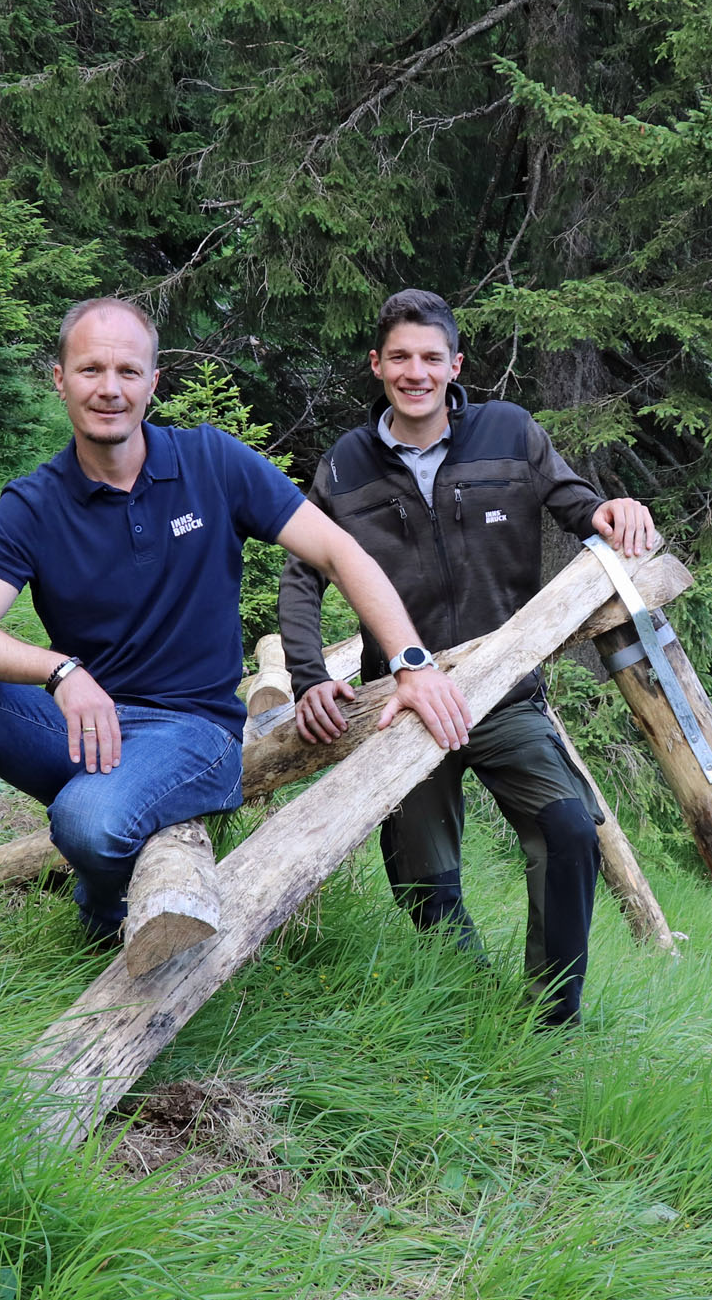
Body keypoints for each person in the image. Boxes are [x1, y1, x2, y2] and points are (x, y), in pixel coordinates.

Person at [0, 296, 472, 952]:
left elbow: (339, 552)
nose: (109, 389)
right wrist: (59, 671)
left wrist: (410, 662)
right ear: (59, 378)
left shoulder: (211, 464)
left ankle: (102, 898)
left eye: (127, 371)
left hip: (194, 732)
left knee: (86, 818)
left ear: (152, 382)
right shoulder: (35, 503)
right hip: (88, 725)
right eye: (89, 370)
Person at [276, 289, 658, 1024]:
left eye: (429, 357)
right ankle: (470, 1006)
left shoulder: (510, 433)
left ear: (455, 365)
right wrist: (307, 676)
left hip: (502, 689)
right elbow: (301, 575)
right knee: (421, 870)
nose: (414, 372)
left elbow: (582, 508)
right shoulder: (345, 465)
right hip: (400, 701)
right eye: (399, 357)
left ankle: (550, 1019)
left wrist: (617, 510)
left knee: (571, 829)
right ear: (376, 365)